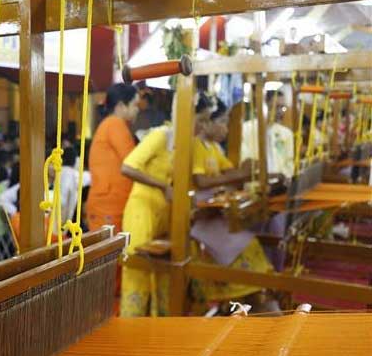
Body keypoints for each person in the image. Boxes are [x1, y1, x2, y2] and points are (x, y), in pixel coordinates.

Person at [120, 93, 213, 317]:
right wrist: (162, 186)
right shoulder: (161, 136)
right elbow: (127, 167)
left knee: (163, 272)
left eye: (207, 121)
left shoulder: (185, 144)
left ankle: (158, 331)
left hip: (163, 213)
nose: (204, 126)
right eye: (201, 120)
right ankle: (130, 332)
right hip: (142, 211)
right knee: (139, 273)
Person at [191, 99, 279, 313]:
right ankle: (242, 295)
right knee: (244, 245)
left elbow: (231, 173)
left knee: (250, 241)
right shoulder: (195, 146)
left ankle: (251, 297)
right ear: (207, 124)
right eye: (221, 122)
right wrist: (241, 174)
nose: (225, 128)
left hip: (214, 213)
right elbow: (200, 181)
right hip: (198, 216)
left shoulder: (213, 148)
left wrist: (252, 173)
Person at [86, 83, 140, 232]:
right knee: (110, 253)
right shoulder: (115, 124)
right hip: (108, 206)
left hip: (109, 204)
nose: (137, 110)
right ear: (121, 106)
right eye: (135, 105)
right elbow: (133, 163)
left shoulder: (111, 124)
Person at [241, 90, 294, 178]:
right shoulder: (245, 129)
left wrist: (282, 177)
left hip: (281, 183)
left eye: (282, 107)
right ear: (264, 107)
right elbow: (245, 161)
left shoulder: (286, 133)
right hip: (255, 181)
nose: (280, 111)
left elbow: (290, 162)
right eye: (275, 107)